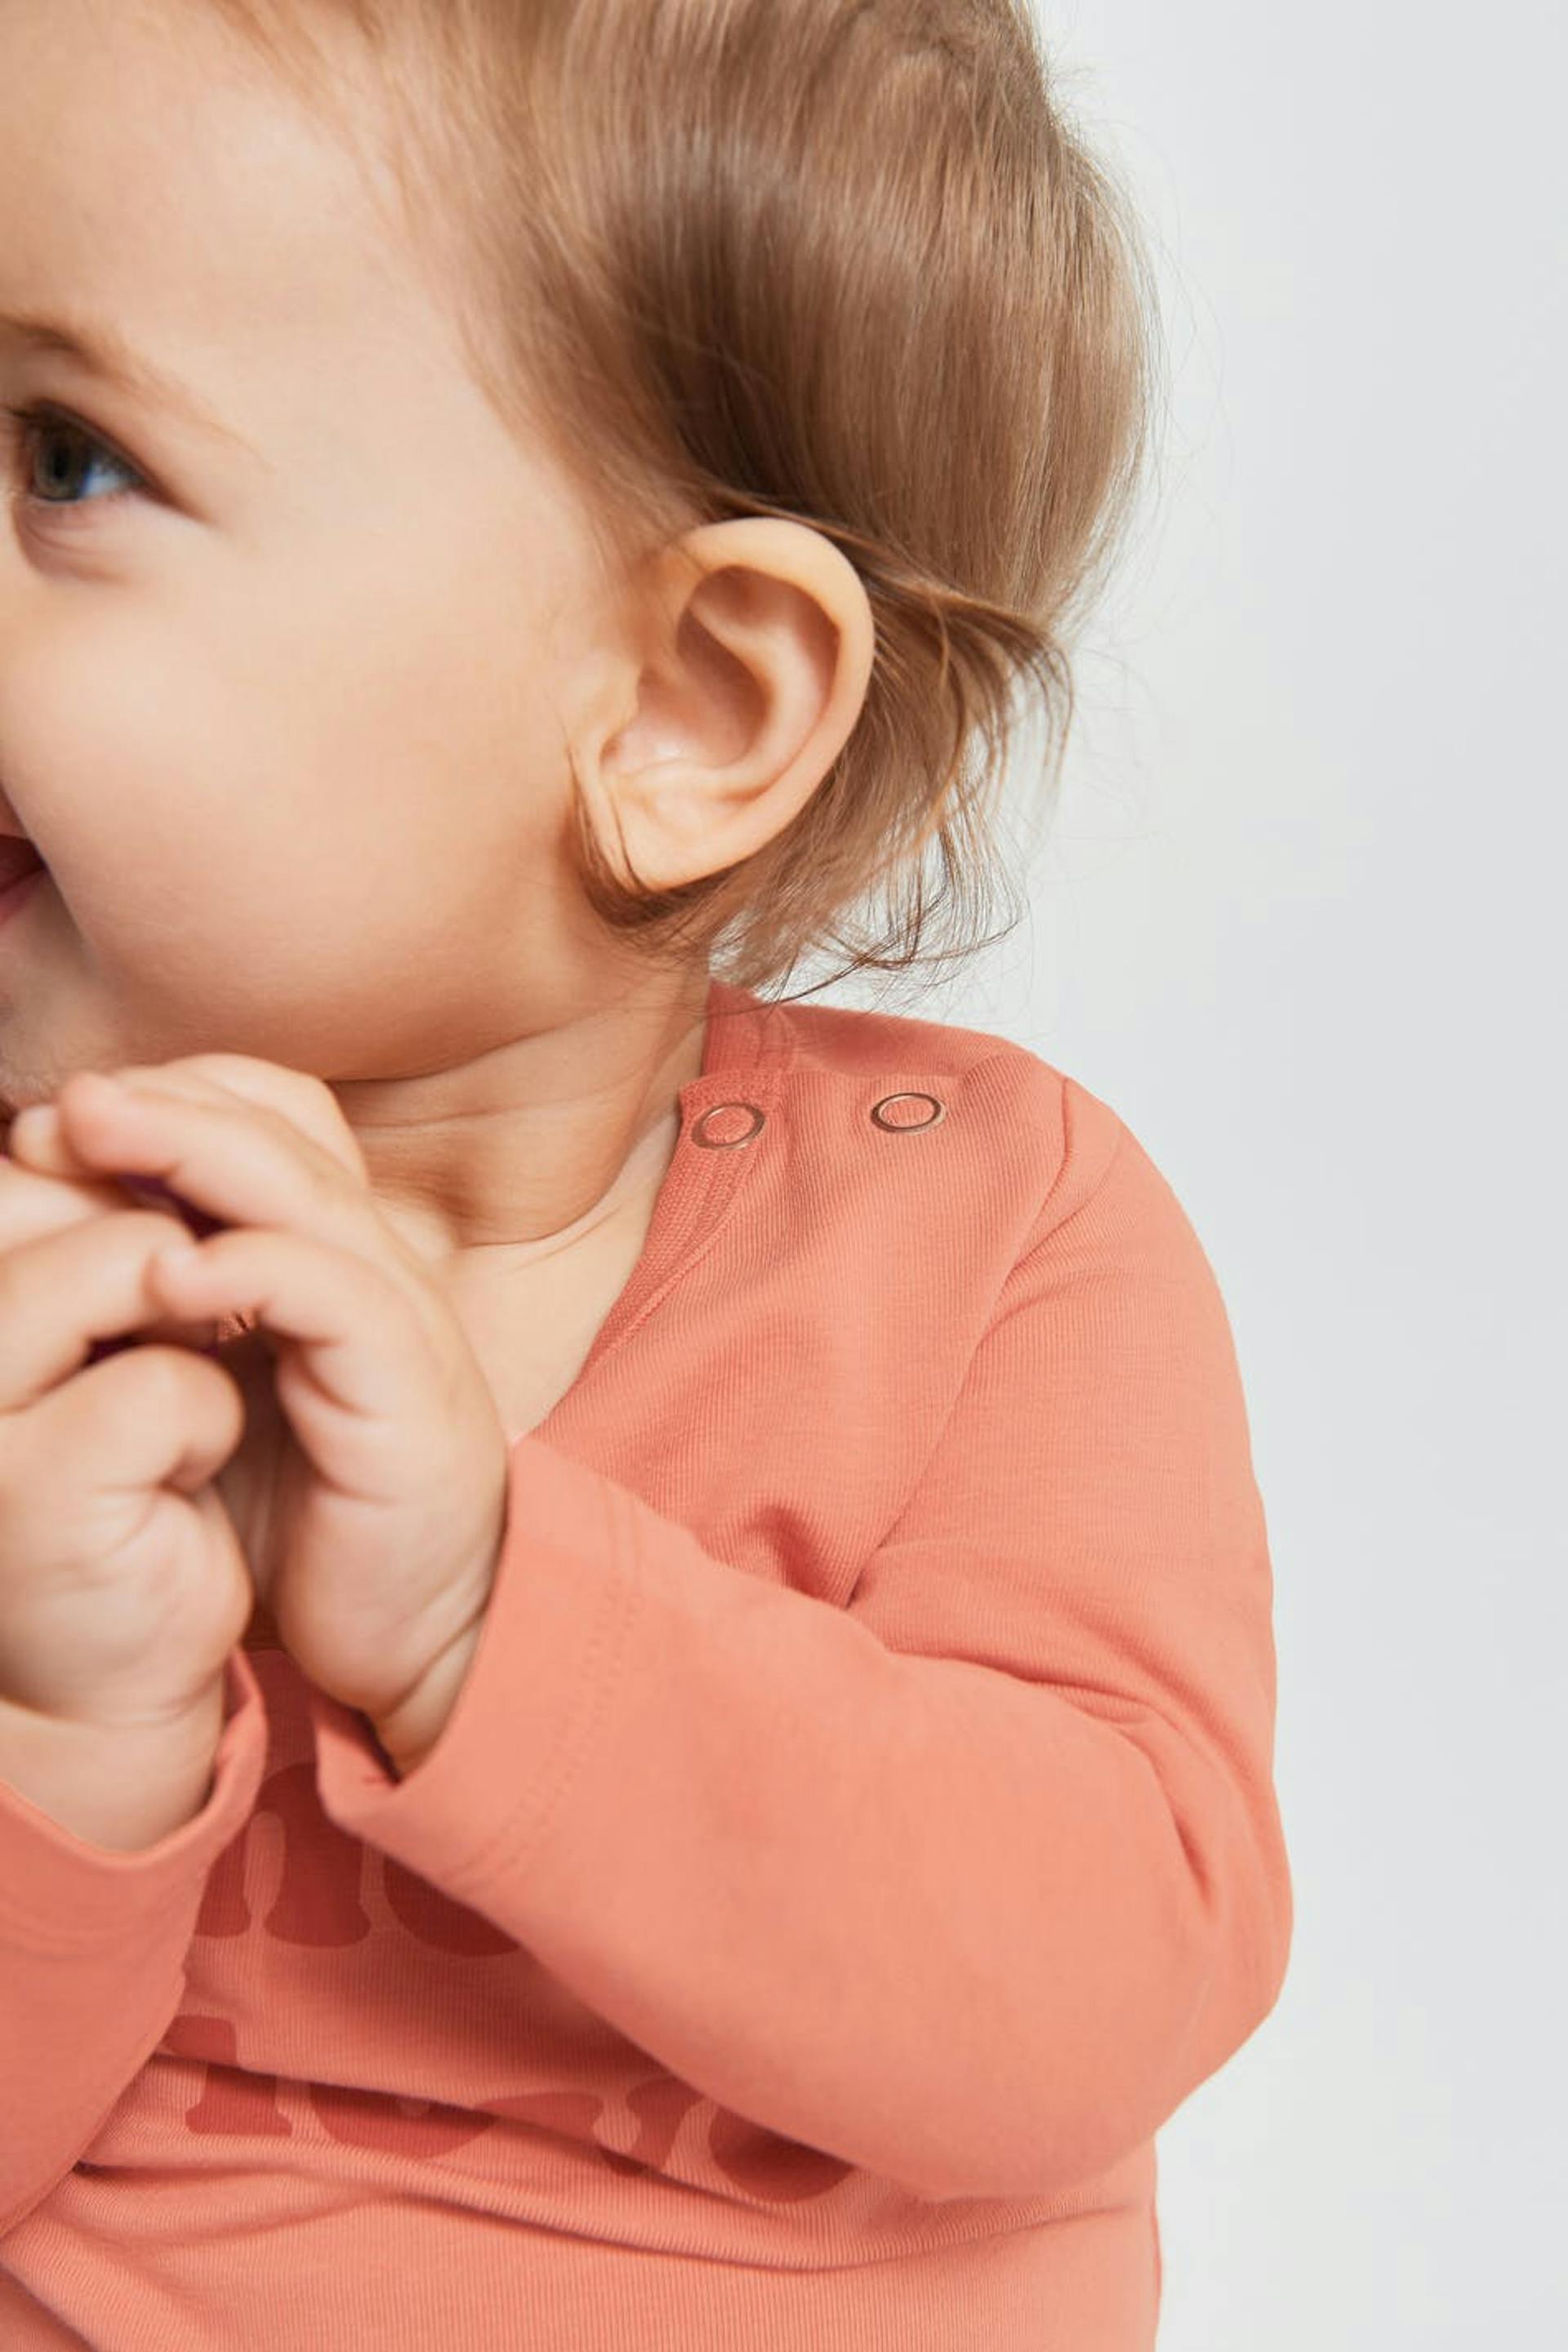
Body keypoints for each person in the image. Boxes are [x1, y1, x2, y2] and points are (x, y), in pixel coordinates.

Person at [0, 2, 1292, 2345]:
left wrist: (492, 1612)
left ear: (686, 708)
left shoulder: (984, 1232)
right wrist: (58, 1748)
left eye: (67, 460)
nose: (31, 492)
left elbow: (1099, 1995)